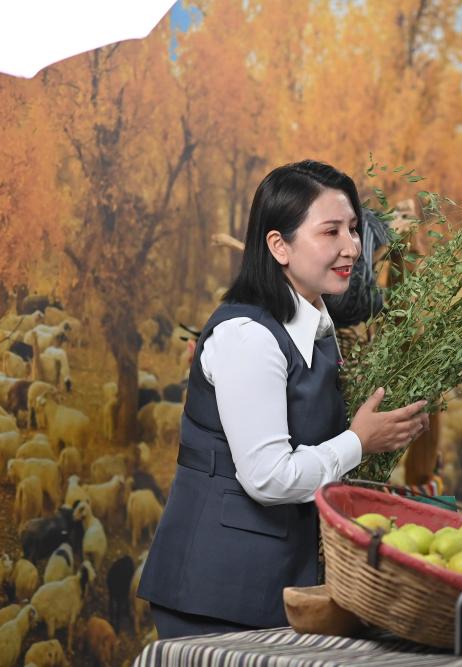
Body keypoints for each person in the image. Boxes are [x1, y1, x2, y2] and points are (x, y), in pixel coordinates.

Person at [137, 160, 429, 639]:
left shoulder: (316, 327)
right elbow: (269, 478)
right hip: (219, 590)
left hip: (276, 581)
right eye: (330, 231)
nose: (352, 247)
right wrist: (360, 441)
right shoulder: (248, 336)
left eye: (353, 229)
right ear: (279, 245)